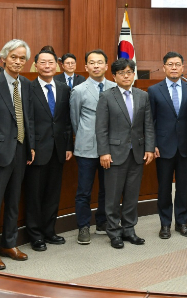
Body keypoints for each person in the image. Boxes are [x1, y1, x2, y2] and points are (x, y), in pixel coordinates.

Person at [0, 39, 35, 270]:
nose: (18, 61)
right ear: (3, 58)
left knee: (13, 201)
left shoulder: (27, 85)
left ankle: (8, 244)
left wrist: (30, 145)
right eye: (14, 57)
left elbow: (27, 117)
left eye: (22, 58)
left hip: (20, 150)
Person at [96, 58, 155, 249]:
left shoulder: (142, 95)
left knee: (131, 195)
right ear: (114, 76)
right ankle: (114, 232)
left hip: (137, 154)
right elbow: (101, 128)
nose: (126, 76)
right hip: (113, 154)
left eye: (129, 72)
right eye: (122, 73)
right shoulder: (106, 96)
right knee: (112, 197)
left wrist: (149, 148)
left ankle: (129, 229)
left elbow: (148, 125)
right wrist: (103, 152)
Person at [24, 50, 72, 252]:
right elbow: (27, 121)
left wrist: (68, 145)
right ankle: (35, 235)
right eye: (42, 62)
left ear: (57, 65)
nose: (47, 65)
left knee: (53, 193)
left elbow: (66, 120)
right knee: (34, 194)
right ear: (35, 65)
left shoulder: (63, 88)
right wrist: (30, 147)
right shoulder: (28, 88)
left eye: (51, 62)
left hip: (59, 149)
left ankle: (49, 230)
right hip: (37, 150)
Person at [149, 51, 187, 240]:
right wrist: (152, 144)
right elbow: (149, 120)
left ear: (183, 68)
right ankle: (165, 224)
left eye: (177, 64)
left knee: (183, 187)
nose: (174, 67)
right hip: (163, 147)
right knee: (164, 188)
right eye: (170, 64)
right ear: (164, 68)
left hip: (186, 146)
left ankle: (182, 222)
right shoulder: (154, 90)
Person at [70, 49, 116, 245]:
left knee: (107, 189)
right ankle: (83, 226)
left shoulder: (115, 87)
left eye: (100, 62)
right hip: (86, 147)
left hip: (110, 148)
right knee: (84, 190)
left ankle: (102, 222)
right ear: (86, 67)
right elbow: (75, 119)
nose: (96, 66)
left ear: (106, 66)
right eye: (92, 62)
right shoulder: (78, 90)